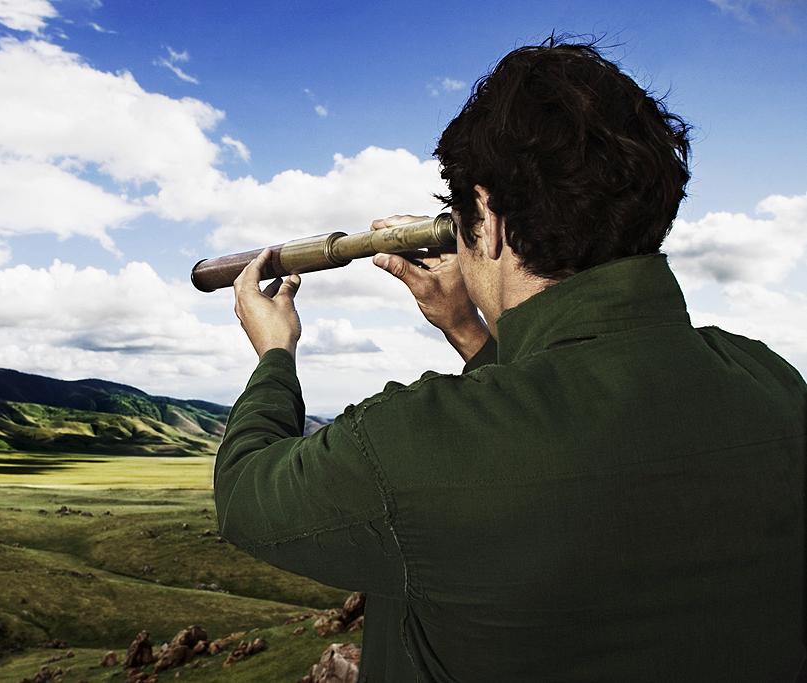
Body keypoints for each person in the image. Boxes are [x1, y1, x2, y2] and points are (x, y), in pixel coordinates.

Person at [215, 37, 806, 682]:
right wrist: (469, 329)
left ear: (489, 219)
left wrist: (275, 351)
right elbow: (556, 410)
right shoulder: (772, 381)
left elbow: (248, 493)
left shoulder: (407, 442)